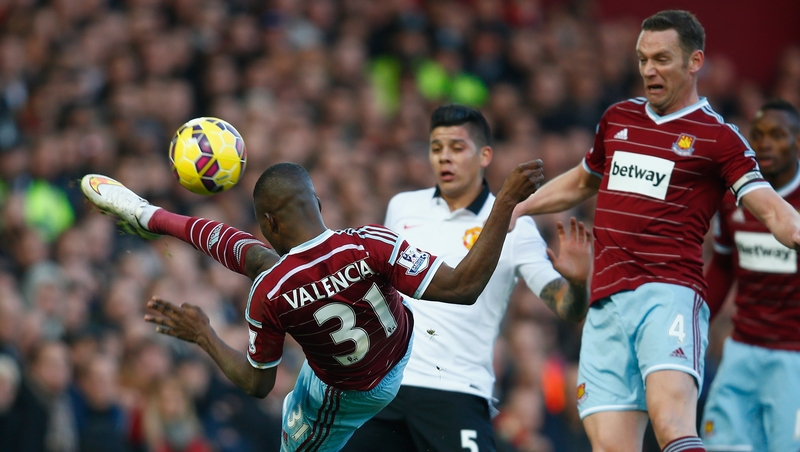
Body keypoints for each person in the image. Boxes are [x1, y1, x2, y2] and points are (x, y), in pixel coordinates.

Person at [79, 159, 543, 452]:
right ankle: (149, 215)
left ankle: (150, 216)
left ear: (269, 222)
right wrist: (501, 204)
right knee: (261, 261)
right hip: (400, 346)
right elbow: (463, 286)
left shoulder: (270, 292)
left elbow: (259, 384)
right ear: (317, 201)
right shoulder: (369, 242)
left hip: (345, 395)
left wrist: (204, 335)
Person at [511, 10, 800, 452]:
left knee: (672, 423)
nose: (649, 70)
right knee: (611, 447)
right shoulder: (617, 118)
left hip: (669, 295)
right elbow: (584, 178)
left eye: (662, 59)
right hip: (605, 301)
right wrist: (521, 206)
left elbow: (775, 213)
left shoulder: (719, 139)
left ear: (694, 61)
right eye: (643, 59)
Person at [343, 104, 591, 452]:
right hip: (386, 387)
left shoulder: (517, 226)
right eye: (436, 148)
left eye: (457, 148)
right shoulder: (402, 206)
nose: (445, 157)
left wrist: (578, 283)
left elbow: (568, 307)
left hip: (456, 392)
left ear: (485, 155)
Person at [700, 99, 800, 451]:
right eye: (758, 135)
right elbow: (724, 264)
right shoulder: (734, 199)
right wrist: (698, 321)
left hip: (794, 356)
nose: (766, 143)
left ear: (798, 141)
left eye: (777, 134)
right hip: (743, 347)